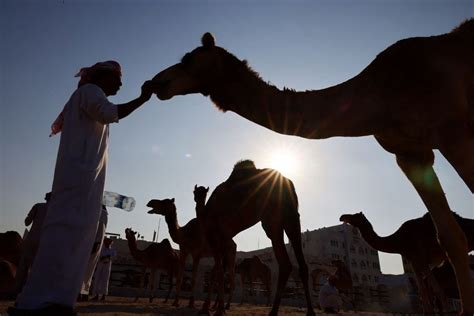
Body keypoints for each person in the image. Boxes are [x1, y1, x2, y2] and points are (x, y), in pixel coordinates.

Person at [9, 60, 156, 316]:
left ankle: (55, 301)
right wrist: (143, 99)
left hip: (82, 182)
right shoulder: (89, 93)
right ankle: (39, 302)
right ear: (102, 76)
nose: (121, 84)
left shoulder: (86, 96)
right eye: (117, 78)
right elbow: (111, 113)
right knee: (65, 237)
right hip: (78, 182)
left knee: (75, 240)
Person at [14, 192, 51, 293]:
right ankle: (31, 290)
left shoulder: (38, 206)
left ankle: (17, 289)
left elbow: (27, 222)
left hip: (31, 239)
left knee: (24, 265)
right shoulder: (55, 210)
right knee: (37, 267)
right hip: (44, 241)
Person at [78, 205, 108, 302]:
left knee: (85, 271)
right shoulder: (100, 214)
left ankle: (82, 293)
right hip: (92, 244)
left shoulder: (100, 214)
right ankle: (83, 293)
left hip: (93, 244)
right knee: (88, 272)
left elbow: (100, 229)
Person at [90, 237, 116, 301]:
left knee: (105, 280)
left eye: (109, 242)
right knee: (98, 279)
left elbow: (114, 257)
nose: (107, 243)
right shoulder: (101, 249)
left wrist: (108, 257)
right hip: (100, 265)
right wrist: (103, 257)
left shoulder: (112, 250)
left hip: (107, 266)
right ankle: (96, 295)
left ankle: (103, 295)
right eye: (106, 242)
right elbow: (98, 257)